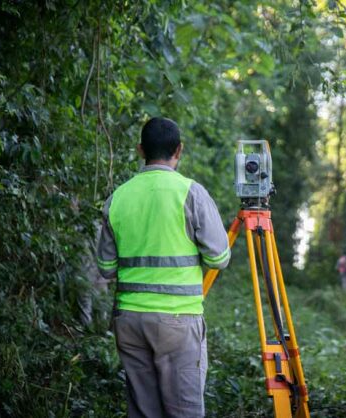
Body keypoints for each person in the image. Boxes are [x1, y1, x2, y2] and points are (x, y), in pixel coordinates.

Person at [96, 117, 230, 418]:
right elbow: (219, 258)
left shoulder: (118, 197)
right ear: (179, 150)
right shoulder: (191, 193)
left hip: (130, 322)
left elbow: (106, 267)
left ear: (140, 150)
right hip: (178, 322)